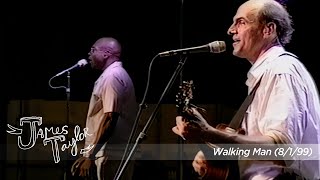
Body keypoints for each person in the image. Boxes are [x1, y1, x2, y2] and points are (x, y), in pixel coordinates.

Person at [172, 0, 320, 179]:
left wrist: (209, 133)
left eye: (240, 22)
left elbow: (282, 149)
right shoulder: (267, 74)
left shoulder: (281, 71)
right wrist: (215, 154)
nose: (231, 30)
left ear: (268, 30)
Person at [71, 37, 137, 180]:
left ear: (106, 53)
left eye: (93, 50)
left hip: (110, 152)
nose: (89, 54)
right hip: (109, 151)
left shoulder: (112, 77)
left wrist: (90, 156)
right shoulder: (112, 75)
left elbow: (110, 117)